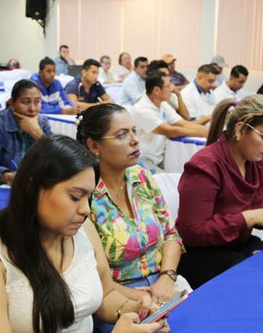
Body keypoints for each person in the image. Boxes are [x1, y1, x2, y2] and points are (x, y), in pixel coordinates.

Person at [0, 135, 168, 333]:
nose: (85, 209)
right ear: (32, 188)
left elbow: (105, 294)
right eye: (74, 197)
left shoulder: (82, 229)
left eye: (89, 197)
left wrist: (132, 311)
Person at [176, 95, 263, 288]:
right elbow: (193, 232)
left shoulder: (254, 162)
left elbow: (257, 209)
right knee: (260, 283)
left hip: (238, 246)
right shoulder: (205, 165)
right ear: (240, 129)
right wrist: (249, 217)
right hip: (202, 254)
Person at [77, 104, 185, 305]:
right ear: (94, 146)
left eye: (134, 131)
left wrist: (167, 277)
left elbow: (171, 234)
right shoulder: (85, 194)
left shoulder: (142, 176)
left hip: (164, 283)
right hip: (114, 296)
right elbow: (88, 274)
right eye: (122, 135)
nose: (135, 140)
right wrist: (144, 297)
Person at [0, 79, 53, 185]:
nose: (32, 108)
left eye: (37, 102)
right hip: (6, 187)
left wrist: (37, 133)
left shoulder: (42, 122)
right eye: (26, 102)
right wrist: (7, 176)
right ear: (11, 103)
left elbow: (58, 158)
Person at [132, 72, 209, 172]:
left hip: (160, 157)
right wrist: (202, 132)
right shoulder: (141, 109)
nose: (172, 89)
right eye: (168, 86)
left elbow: (183, 123)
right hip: (144, 158)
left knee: (185, 170)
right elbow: (169, 131)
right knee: (170, 182)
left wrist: (207, 130)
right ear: (156, 90)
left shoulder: (162, 104)